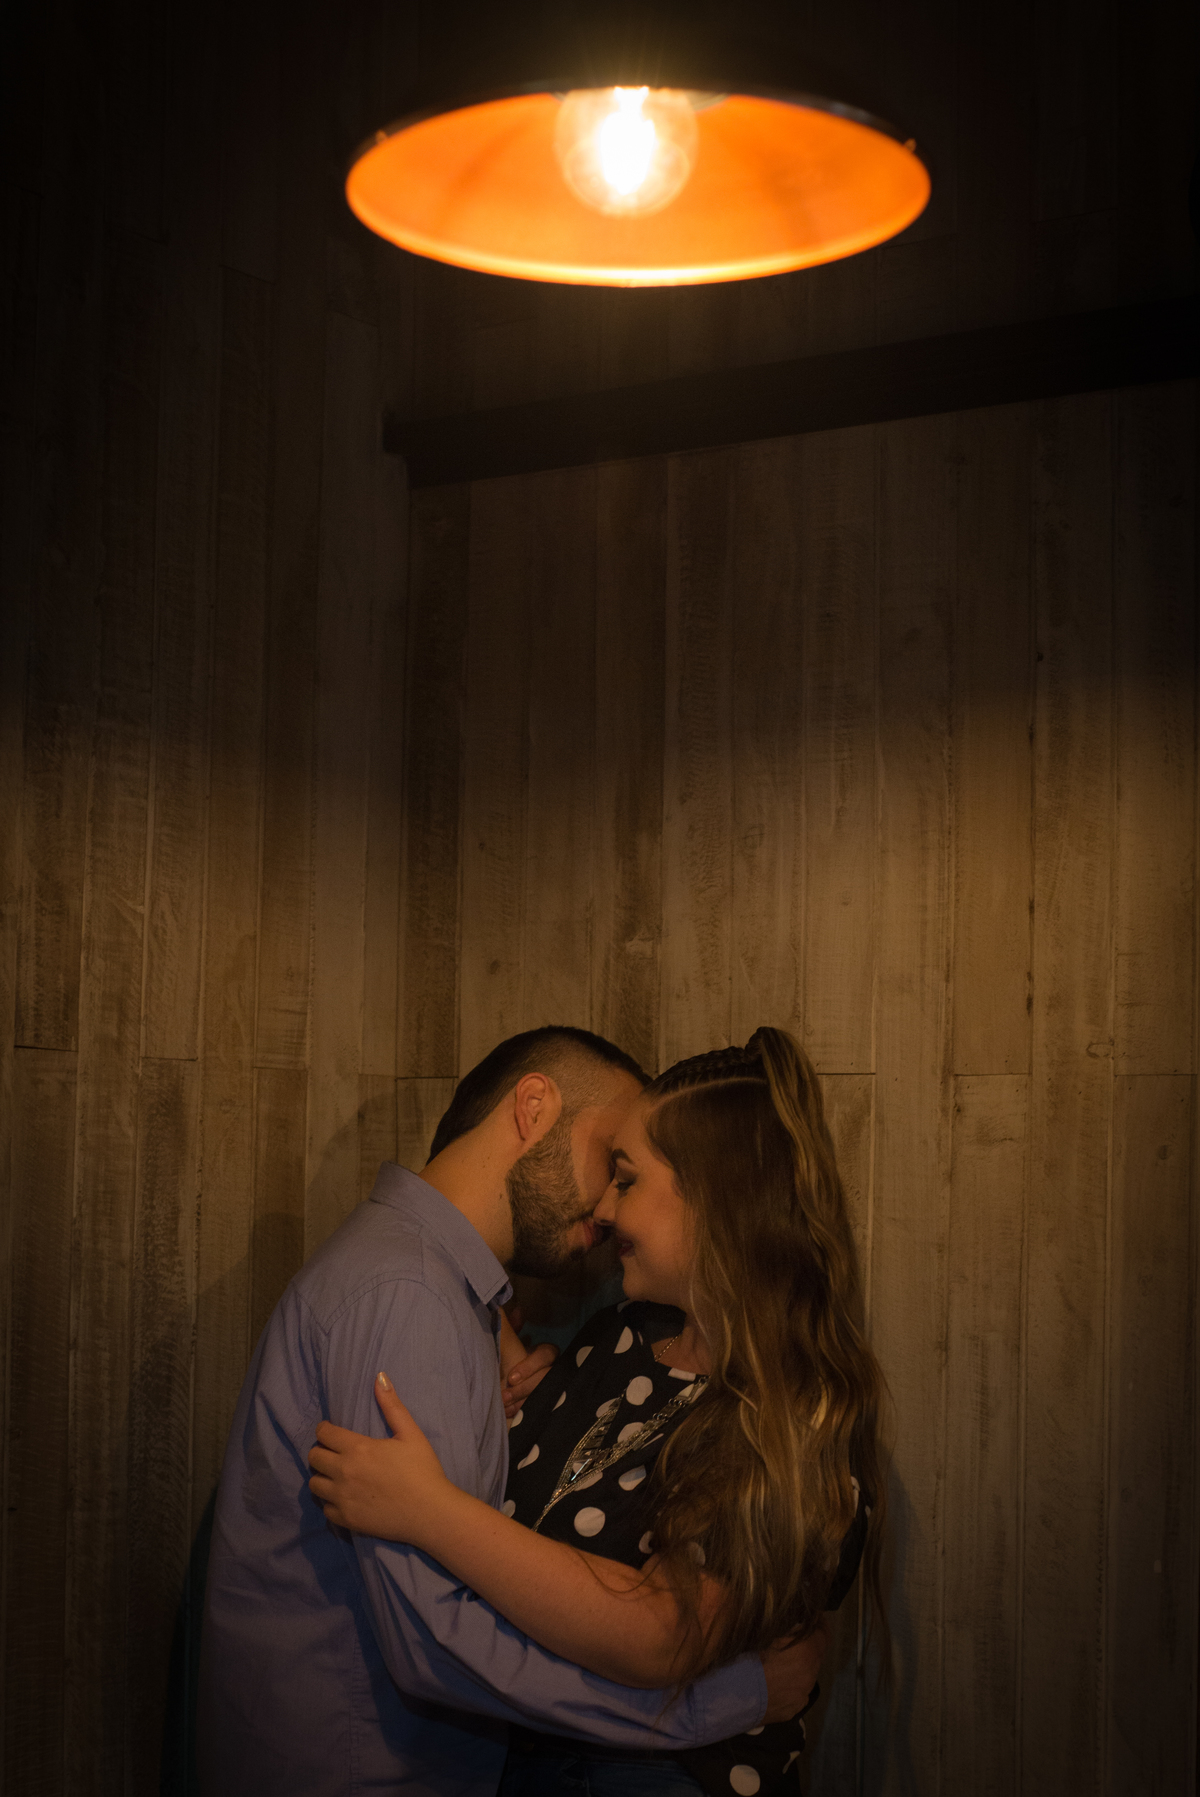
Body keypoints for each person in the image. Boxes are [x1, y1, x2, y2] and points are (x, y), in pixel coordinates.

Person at [199, 1024, 823, 1797]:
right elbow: (435, 1641)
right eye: (611, 1159)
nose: (607, 1203)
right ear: (533, 1108)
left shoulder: (441, 1292)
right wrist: (720, 1705)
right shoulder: (407, 1295)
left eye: (629, 1177)